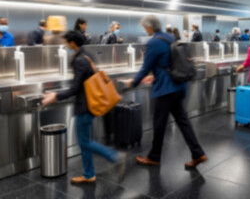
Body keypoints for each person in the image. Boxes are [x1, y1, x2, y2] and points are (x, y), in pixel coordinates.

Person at [41, 31, 125, 183]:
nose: (65, 45)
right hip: (91, 102)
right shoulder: (88, 54)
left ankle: (115, 157)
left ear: (72, 43)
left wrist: (55, 96)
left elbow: (75, 89)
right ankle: (89, 174)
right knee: (84, 140)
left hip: (85, 105)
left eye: (66, 42)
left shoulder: (80, 60)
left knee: (84, 141)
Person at [126, 15, 207, 169]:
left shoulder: (153, 42)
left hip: (165, 89)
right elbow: (168, 61)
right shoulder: (170, 37)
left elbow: (145, 66)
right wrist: (155, 74)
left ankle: (154, 157)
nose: (146, 30)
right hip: (178, 85)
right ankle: (198, 153)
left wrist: (133, 82)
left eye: (145, 28)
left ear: (149, 27)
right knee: (183, 121)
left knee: (159, 124)